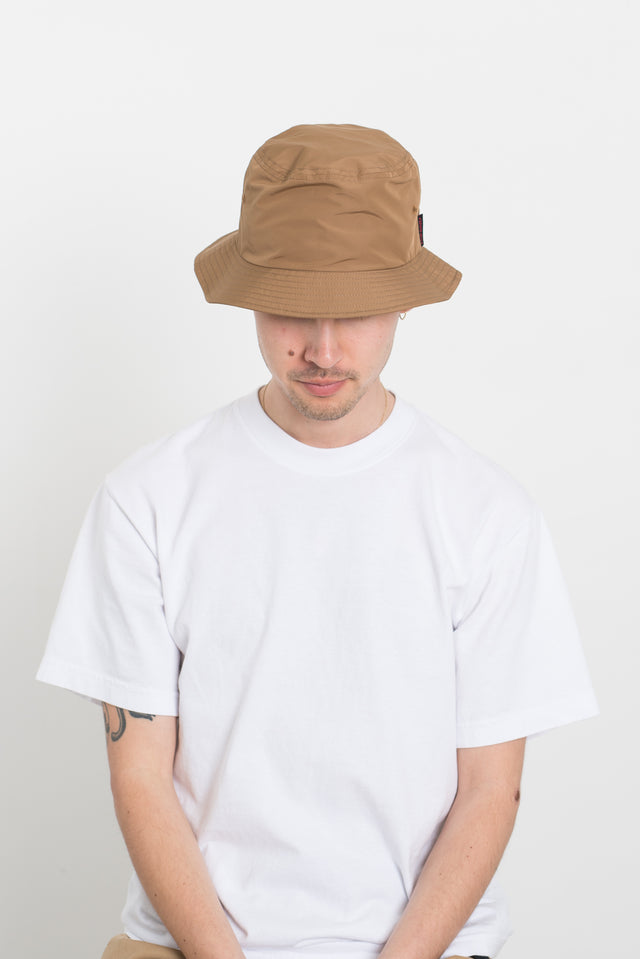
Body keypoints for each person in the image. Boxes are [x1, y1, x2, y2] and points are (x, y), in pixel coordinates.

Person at [37, 123, 598, 959]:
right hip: (189, 946)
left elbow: (491, 789)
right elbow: (140, 776)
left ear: (403, 298)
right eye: (293, 307)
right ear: (250, 295)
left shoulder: (485, 512)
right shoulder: (147, 498)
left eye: (358, 311)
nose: (324, 349)